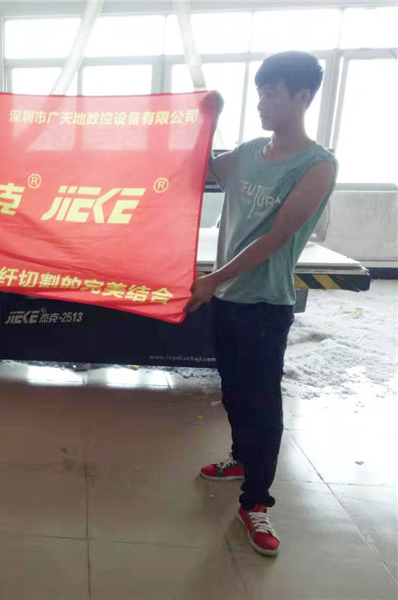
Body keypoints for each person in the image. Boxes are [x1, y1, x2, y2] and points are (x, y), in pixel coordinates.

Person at [185, 51, 337, 556]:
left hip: (265, 306)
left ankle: (256, 502)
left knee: (263, 405)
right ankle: (240, 458)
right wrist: (206, 119)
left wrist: (213, 279)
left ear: (302, 97)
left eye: (272, 93)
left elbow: (277, 236)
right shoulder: (250, 151)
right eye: (260, 93)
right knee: (232, 392)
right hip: (228, 300)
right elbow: (201, 169)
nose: (262, 104)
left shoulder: (317, 165)